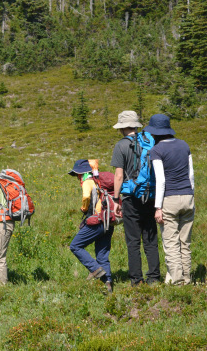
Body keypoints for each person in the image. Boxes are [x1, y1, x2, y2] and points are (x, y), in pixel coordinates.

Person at [111, 111, 161, 285]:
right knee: (150, 239)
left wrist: (116, 200)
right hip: (150, 195)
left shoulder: (121, 146)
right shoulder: (149, 141)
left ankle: (136, 280)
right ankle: (154, 278)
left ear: (123, 127)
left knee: (133, 240)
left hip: (131, 198)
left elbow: (118, 176)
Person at [148, 114, 195, 284]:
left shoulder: (156, 150)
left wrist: (158, 207)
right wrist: (191, 195)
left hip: (169, 200)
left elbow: (161, 180)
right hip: (188, 197)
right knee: (185, 242)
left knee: (171, 243)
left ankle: (177, 282)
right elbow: (191, 175)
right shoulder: (184, 145)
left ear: (155, 133)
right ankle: (187, 278)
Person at [67, 160, 115, 293]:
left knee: (75, 246)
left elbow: (86, 196)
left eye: (77, 174)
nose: (77, 177)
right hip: (108, 221)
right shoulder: (99, 180)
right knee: (102, 254)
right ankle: (108, 283)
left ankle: (95, 269)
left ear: (81, 173)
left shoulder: (88, 181)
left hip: (97, 220)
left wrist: (83, 208)